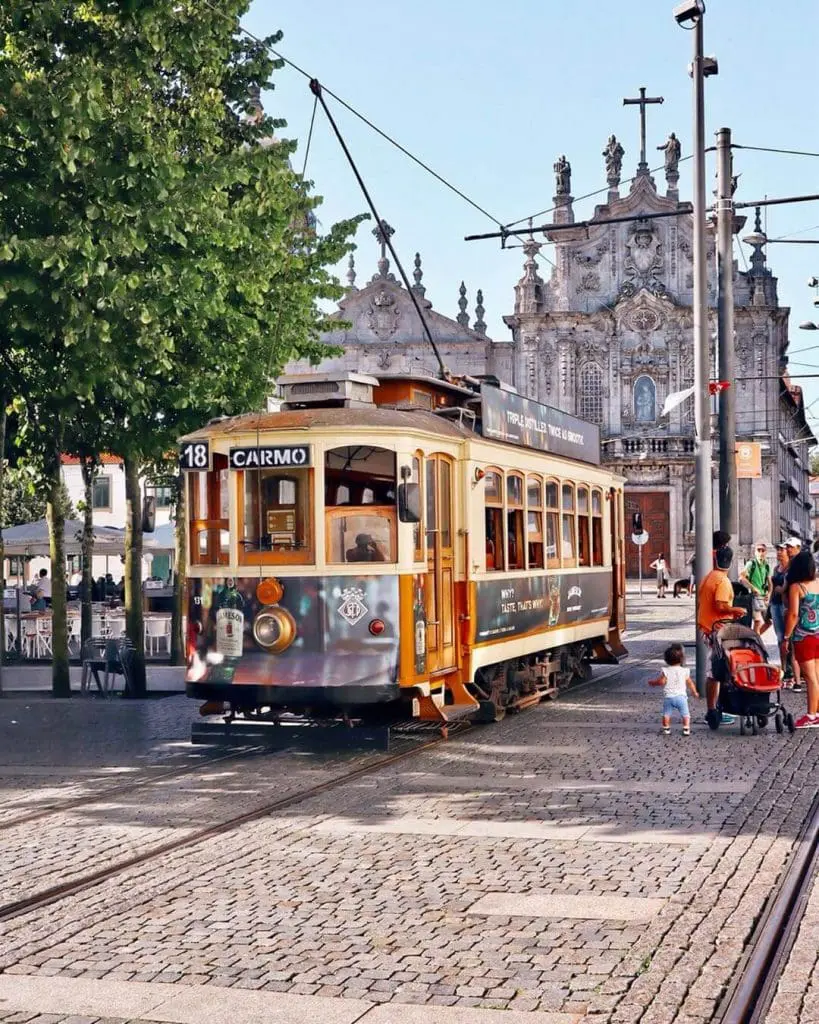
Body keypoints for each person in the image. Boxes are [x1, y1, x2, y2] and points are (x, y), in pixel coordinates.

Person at [698, 545, 745, 723]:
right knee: (716, 671)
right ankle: (714, 710)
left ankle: (717, 708)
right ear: (731, 562)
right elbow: (720, 605)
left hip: (707, 627)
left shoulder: (708, 577)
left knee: (718, 669)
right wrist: (736, 610)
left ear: (715, 559)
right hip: (717, 630)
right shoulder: (723, 581)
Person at [783, 551, 819, 729]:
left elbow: (793, 614)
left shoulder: (797, 587)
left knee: (810, 677)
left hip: (804, 637)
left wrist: (786, 637)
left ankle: (811, 715)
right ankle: (817, 712)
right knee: (817, 675)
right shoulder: (818, 583)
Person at [647, 643, 698, 736]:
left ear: (666, 660)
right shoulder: (685, 671)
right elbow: (690, 683)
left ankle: (666, 728)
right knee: (685, 714)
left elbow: (662, 682)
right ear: (682, 659)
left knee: (666, 714)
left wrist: (654, 683)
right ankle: (686, 728)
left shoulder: (666, 671)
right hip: (681, 697)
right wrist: (694, 692)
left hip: (669, 697)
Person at [771, 543, 802, 691]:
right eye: (778, 549)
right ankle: (784, 671)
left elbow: (785, 588)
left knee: (789, 639)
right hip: (775, 604)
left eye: (781, 549)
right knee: (780, 639)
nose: (779, 552)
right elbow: (772, 588)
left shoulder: (791, 569)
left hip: (787, 605)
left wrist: (780, 589)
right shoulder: (776, 569)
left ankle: (793, 674)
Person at [739, 541, 772, 636]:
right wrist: (753, 588)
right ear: (755, 552)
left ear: (766, 552)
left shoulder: (766, 566)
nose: (761, 552)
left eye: (763, 550)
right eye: (758, 550)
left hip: (763, 598)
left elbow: (770, 583)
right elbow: (741, 578)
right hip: (753, 597)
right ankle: (755, 640)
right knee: (758, 621)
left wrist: (769, 593)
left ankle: (754, 638)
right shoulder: (751, 564)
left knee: (768, 622)